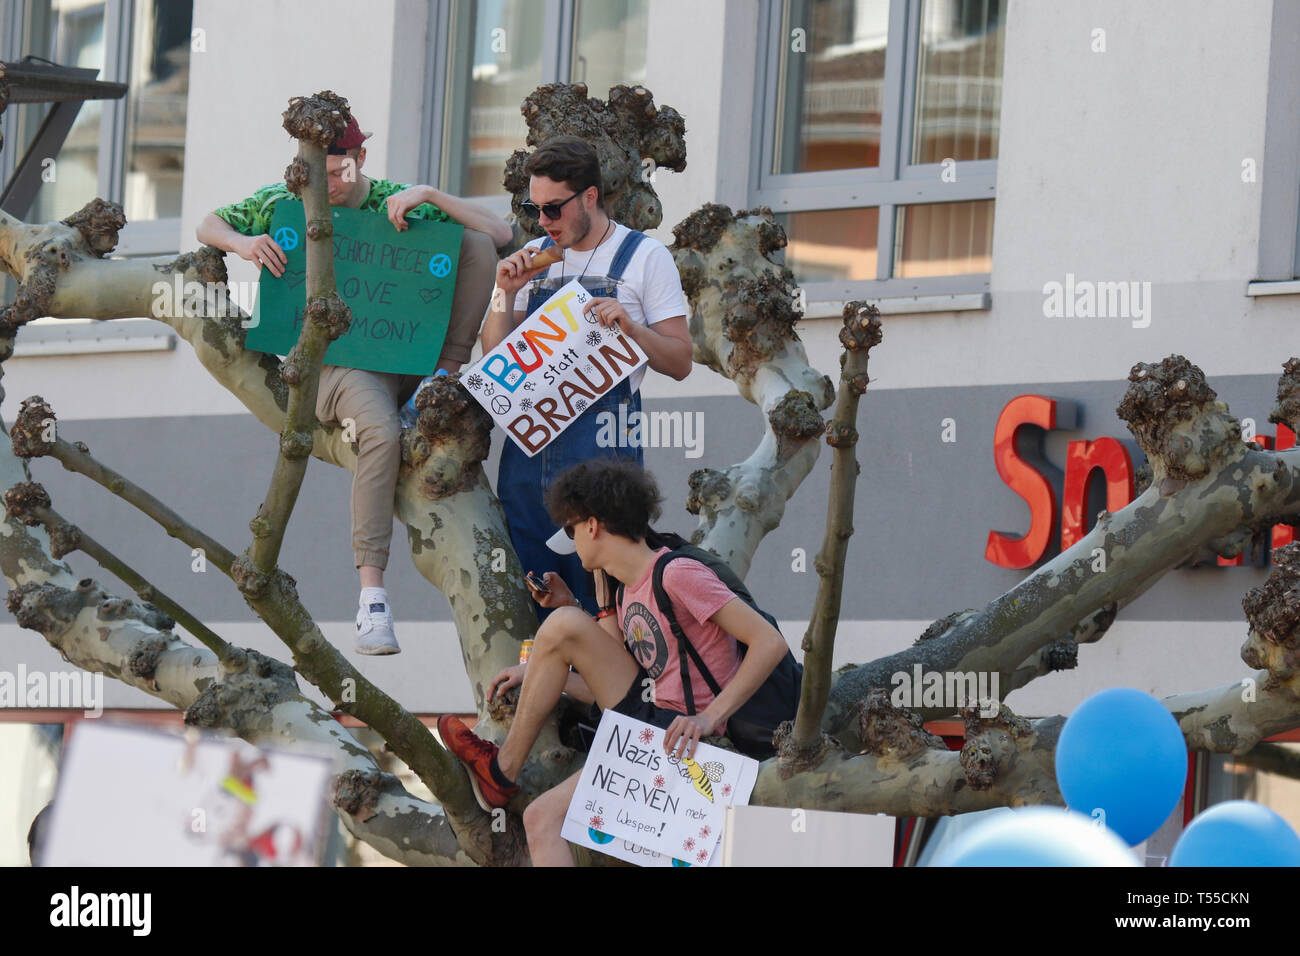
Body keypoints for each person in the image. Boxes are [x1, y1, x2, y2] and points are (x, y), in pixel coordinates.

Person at [197, 115, 511, 655]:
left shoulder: (395, 199)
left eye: (339, 172)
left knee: (474, 245)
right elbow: (209, 224)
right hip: (339, 368)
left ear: (360, 160)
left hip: (408, 354)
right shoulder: (283, 201)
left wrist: (431, 194)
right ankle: (372, 599)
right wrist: (244, 244)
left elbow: (500, 236)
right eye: (318, 175)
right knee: (380, 432)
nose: (330, 186)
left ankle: (445, 379)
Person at [437, 460, 789, 866]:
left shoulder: (676, 573)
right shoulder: (624, 597)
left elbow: (769, 642)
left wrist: (709, 717)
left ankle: (501, 772)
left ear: (592, 525)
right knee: (541, 818)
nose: (573, 542)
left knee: (563, 625)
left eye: (570, 529)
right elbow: (614, 694)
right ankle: (501, 775)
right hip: (653, 734)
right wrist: (541, 672)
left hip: (696, 742)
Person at [483, 135, 693, 619]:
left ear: (590, 197)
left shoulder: (644, 257)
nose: (542, 222)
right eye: (532, 209)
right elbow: (496, 359)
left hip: (603, 453)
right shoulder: (532, 259)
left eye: (553, 209)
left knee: (608, 599)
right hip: (527, 456)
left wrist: (631, 327)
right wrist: (504, 293)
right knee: (535, 593)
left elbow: (680, 361)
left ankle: (618, 693)